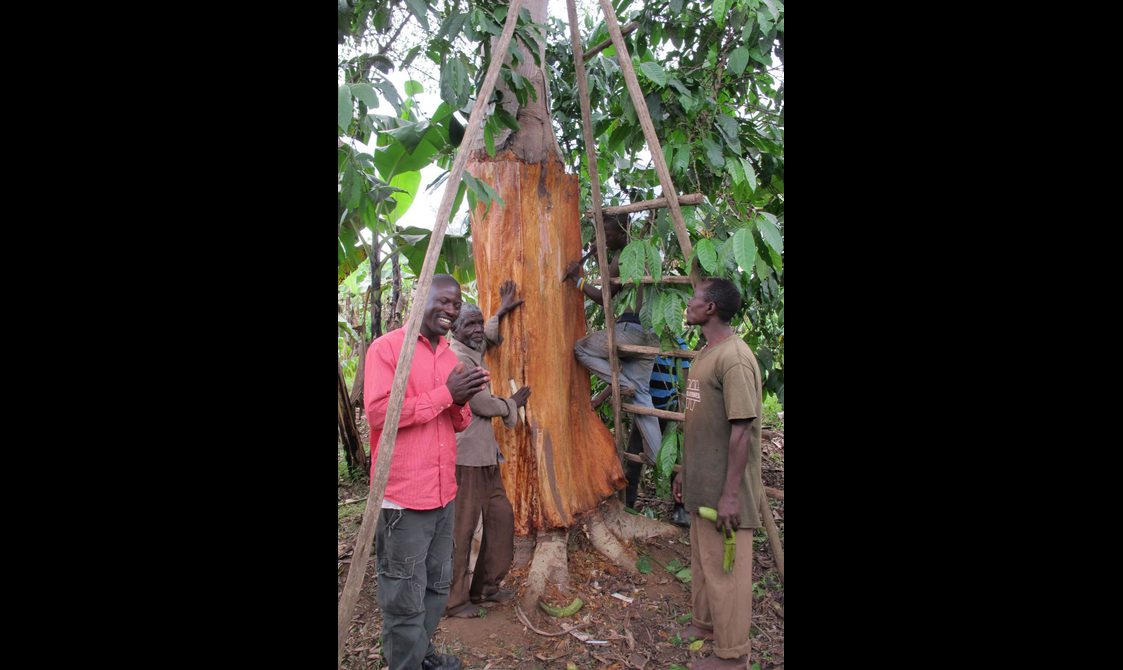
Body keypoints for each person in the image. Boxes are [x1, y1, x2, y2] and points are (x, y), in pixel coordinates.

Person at [364, 274, 490, 670]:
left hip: (442, 494)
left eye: (456, 304)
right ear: (422, 297)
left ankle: (422, 653)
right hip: (403, 497)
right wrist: (445, 395)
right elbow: (379, 413)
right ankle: (406, 663)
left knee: (436, 586)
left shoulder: (449, 356)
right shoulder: (387, 349)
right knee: (403, 595)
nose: (451, 311)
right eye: (445, 301)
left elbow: (457, 422)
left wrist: (461, 400)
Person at [672, 277, 762, 670]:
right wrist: (683, 473)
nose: (688, 304)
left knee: (728, 572)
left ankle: (733, 656)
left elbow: (741, 429)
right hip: (702, 483)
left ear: (709, 309)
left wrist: (729, 496)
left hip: (727, 491)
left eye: (694, 298)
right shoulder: (707, 352)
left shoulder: (735, 358)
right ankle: (706, 625)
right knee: (705, 561)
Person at [444, 279, 530, 618]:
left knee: (500, 519)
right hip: (466, 459)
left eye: (480, 323)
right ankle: (455, 600)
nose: (479, 330)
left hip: (486, 456)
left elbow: (486, 339)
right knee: (462, 529)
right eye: (470, 324)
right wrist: (511, 404)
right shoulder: (456, 359)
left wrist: (499, 313)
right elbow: (480, 403)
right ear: (455, 328)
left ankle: (485, 587)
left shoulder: (471, 347)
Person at [563, 212, 662, 465]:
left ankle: (621, 383)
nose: (604, 240)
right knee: (642, 395)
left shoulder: (625, 254)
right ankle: (656, 457)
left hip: (632, 329)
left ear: (623, 230)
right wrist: (598, 256)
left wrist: (576, 280)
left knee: (582, 348)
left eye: (607, 235)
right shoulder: (646, 251)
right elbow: (615, 279)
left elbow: (603, 296)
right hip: (652, 335)